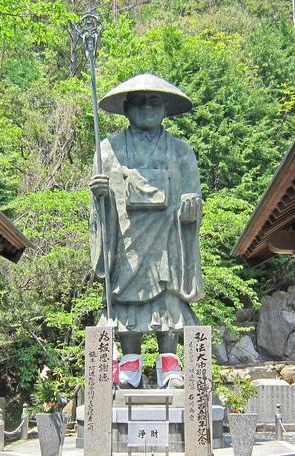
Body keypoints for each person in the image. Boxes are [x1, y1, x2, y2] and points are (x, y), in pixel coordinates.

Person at [89, 73, 204, 389]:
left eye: (154, 101)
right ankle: (130, 362)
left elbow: (192, 194)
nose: (146, 108)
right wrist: (99, 194)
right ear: (126, 108)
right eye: (138, 102)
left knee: (169, 298)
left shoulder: (181, 150)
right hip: (126, 241)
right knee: (127, 299)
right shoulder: (108, 149)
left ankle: (169, 360)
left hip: (167, 239)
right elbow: (101, 202)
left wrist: (191, 206)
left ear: (165, 107)